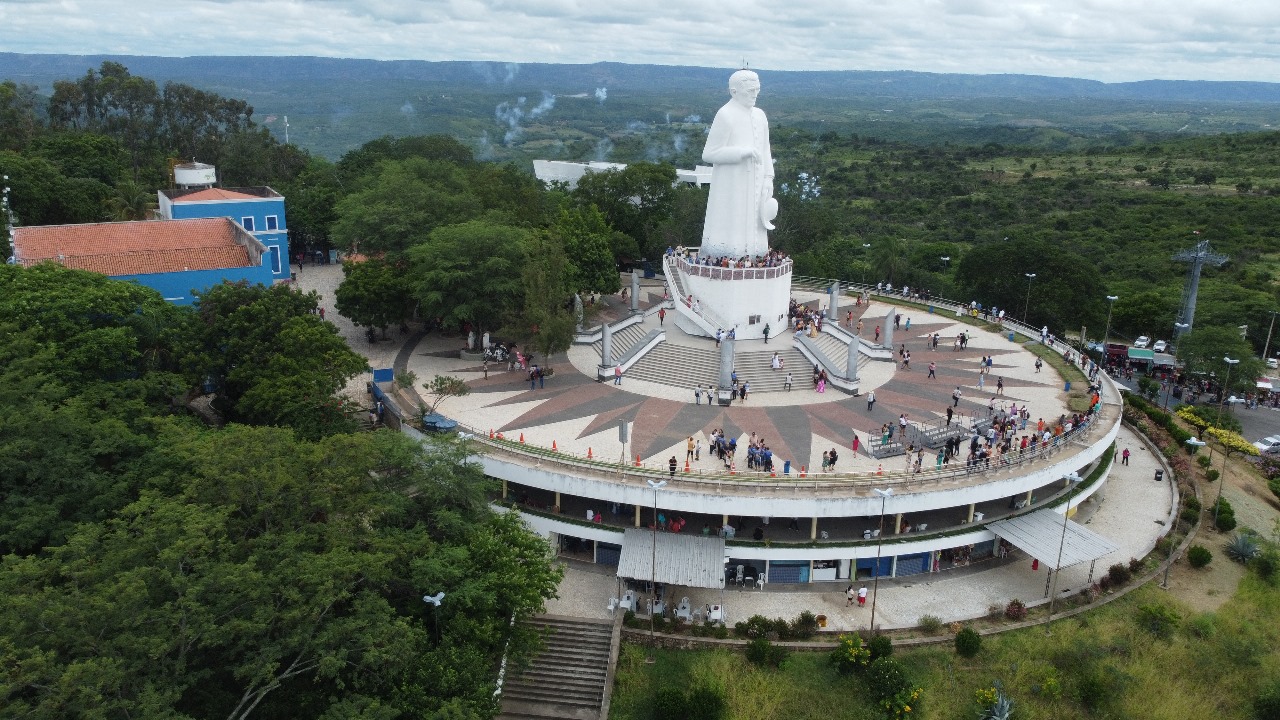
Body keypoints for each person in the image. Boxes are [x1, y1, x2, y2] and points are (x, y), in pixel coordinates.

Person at [700, 69, 775, 258]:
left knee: (756, 223)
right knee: (733, 223)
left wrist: (768, 177)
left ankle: (756, 256)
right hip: (732, 184)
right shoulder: (725, 115)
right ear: (734, 92)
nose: (755, 94)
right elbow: (709, 153)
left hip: (758, 182)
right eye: (750, 90)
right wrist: (741, 152)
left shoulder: (760, 115)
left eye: (757, 89)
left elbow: (766, 149)